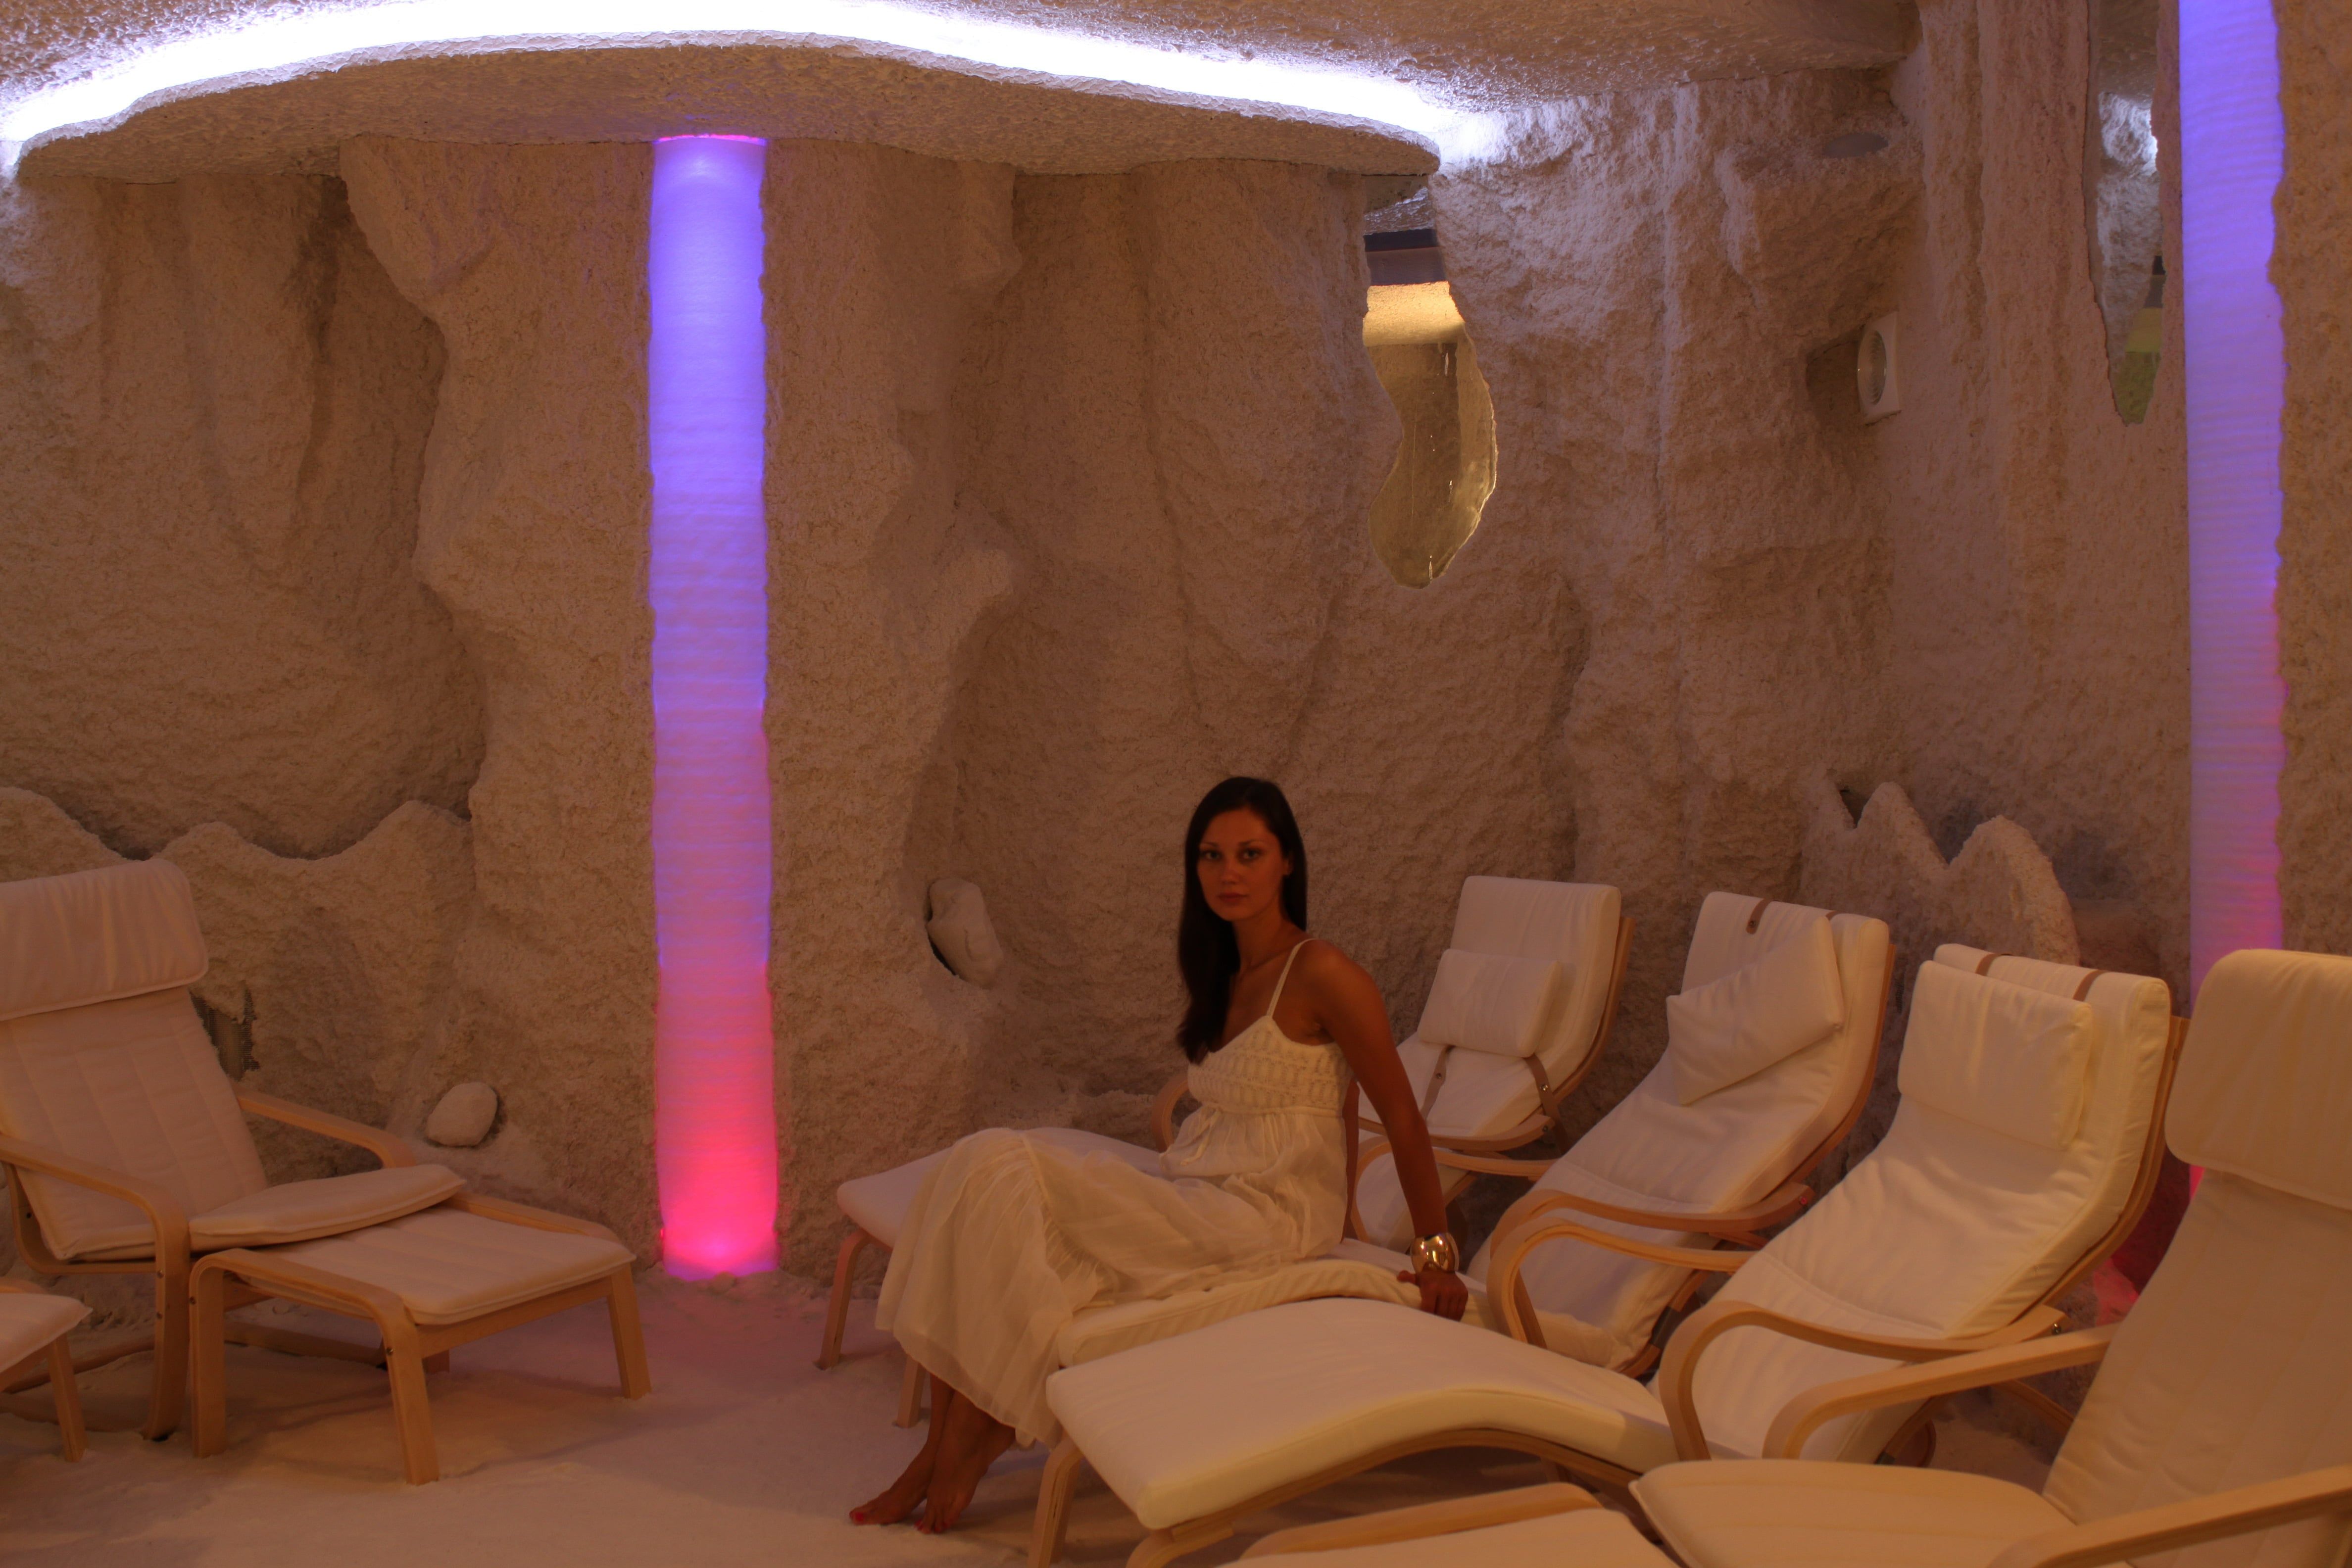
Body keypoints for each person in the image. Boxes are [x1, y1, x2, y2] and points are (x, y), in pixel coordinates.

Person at [852, 776, 1469, 1532]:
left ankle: (960, 1446)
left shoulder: (1324, 973)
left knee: (1002, 1164)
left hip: (1265, 1220)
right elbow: (1327, 1102)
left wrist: (1435, 1254)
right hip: (1200, 1191)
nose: (1228, 872)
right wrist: (1341, 1208)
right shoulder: (1227, 975)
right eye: (1211, 855)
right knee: (980, 1174)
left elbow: (1399, 1114)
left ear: (1288, 862)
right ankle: (947, 1444)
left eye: (1249, 854)